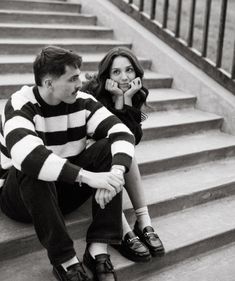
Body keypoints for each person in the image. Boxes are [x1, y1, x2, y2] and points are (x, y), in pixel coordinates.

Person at [0, 45, 136, 281]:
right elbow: (28, 155)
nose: (80, 83)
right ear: (49, 83)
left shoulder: (83, 101)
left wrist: (114, 173)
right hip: (20, 197)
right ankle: (66, 261)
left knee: (107, 149)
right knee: (32, 165)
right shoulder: (20, 104)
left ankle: (98, 248)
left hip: (62, 189)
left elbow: (123, 132)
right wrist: (90, 177)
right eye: (73, 78)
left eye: (80, 76)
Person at [82, 47, 165, 263]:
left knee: (126, 150)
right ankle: (122, 229)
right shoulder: (91, 95)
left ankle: (144, 221)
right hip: (87, 162)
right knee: (113, 149)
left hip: (109, 162)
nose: (124, 77)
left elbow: (131, 138)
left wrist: (124, 100)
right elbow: (102, 140)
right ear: (107, 76)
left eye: (129, 70)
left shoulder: (131, 94)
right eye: (116, 72)